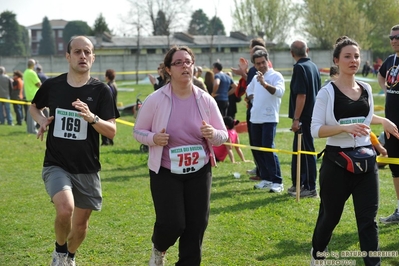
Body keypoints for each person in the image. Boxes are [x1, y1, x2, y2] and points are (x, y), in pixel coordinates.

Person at [133, 45, 228, 266]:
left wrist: (212, 134)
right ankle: (159, 248)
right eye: (179, 62)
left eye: (188, 61)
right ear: (168, 69)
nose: (185, 66)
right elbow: (138, 131)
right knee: (173, 224)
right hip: (166, 170)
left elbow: (222, 134)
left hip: (199, 170)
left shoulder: (205, 100)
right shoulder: (156, 99)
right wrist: (154, 139)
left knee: (196, 226)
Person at [29, 36, 119, 266]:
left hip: (87, 168)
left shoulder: (101, 91)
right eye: (77, 52)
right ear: (68, 56)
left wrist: (92, 118)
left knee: (80, 227)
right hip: (56, 163)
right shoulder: (53, 85)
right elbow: (34, 107)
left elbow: (111, 131)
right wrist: (41, 120)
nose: (83, 56)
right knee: (65, 208)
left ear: (93, 57)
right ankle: (59, 253)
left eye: (87, 52)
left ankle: (69, 256)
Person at [310, 36, 399, 266]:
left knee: (368, 222)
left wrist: (384, 121)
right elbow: (315, 130)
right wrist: (343, 128)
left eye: (357, 56)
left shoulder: (367, 88)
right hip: (336, 164)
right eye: (347, 56)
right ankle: (318, 252)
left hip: (366, 163)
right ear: (336, 60)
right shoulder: (327, 92)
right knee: (330, 218)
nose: (353, 60)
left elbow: (365, 117)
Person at [246, 50, 285, 193]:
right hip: (255, 118)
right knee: (258, 149)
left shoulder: (276, 76)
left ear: (267, 61)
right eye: (258, 63)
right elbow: (248, 90)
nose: (261, 65)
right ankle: (266, 179)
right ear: (254, 65)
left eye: (263, 62)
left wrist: (264, 84)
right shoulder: (255, 76)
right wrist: (253, 99)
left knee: (268, 148)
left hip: (269, 118)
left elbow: (280, 92)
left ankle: (277, 181)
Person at [287, 40, 321, 198]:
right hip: (311, 115)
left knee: (306, 151)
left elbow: (302, 95)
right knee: (298, 151)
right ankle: (299, 183)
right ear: (307, 50)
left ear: (292, 53)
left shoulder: (300, 68)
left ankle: (310, 187)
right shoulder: (313, 66)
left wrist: (296, 119)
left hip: (305, 117)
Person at [377, 24, 399, 224]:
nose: (393, 40)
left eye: (397, 37)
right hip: (391, 125)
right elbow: (381, 75)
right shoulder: (391, 60)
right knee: (395, 168)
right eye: (391, 37)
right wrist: (385, 89)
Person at [23, 59, 42, 134]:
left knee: (29, 113)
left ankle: (30, 129)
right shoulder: (32, 73)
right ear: (33, 65)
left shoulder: (25, 72)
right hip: (34, 94)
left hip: (28, 94)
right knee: (33, 113)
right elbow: (38, 84)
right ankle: (33, 129)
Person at [101, 69, 118, 146]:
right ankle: (110, 141)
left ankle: (105, 142)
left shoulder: (108, 86)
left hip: (107, 108)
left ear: (107, 76)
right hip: (113, 108)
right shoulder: (114, 84)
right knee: (110, 125)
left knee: (104, 125)